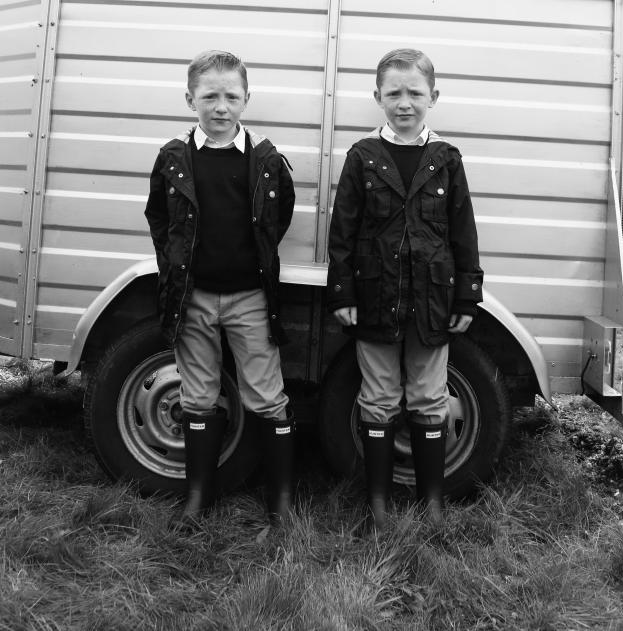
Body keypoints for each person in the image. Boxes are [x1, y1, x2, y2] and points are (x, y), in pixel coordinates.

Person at [327, 48, 483, 528]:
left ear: (433, 97)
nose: (404, 102)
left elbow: (463, 232)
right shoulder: (362, 157)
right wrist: (343, 293)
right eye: (393, 93)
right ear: (377, 97)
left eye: (415, 92)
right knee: (378, 398)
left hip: (431, 303)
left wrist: (467, 294)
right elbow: (343, 232)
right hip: (374, 299)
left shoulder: (446, 159)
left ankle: (431, 503)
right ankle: (377, 505)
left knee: (429, 398)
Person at [145, 50, 295, 523]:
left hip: (250, 299)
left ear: (247, 99)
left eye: (231, 96)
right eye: (210, 96)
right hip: (194, 299)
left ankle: (281, 503)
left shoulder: (266, 160)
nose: (221, 107)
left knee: (267, 397)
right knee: (198, 395)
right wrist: (176, 267)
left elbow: (279, 218)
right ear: (190, 99)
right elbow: (159, 218)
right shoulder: (174, 158)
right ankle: (198, 498)